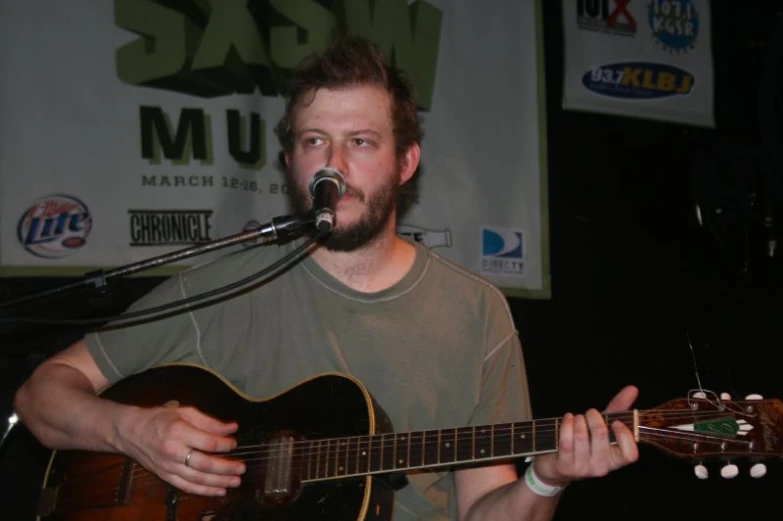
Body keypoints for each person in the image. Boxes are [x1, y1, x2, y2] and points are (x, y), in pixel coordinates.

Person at [13, 35, 639, 521]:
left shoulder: (476, 313)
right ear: (291, 162)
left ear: (406, 162)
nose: (334, 164)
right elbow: (41, 394)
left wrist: (547, 477)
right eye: (316, 141)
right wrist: (135, 430)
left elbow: (486, 510)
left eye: (362, 141)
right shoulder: (227, 287)